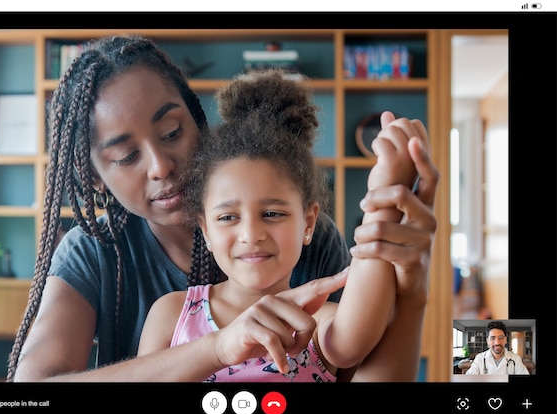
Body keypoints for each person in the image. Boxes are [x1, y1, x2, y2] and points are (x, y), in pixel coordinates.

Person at [6, 34, 439, 382]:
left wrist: (410, 285)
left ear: (197, 121)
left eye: (172, 131)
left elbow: (354, 350)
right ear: (95, 175)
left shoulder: (307, 238)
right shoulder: (94, 252)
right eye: (125, 156)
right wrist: (217, 348)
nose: (160, 166)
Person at [137, 69, 419, 381]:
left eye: (272, 214)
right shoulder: (171, 314)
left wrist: (384, 198)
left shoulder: (317, 321)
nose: (251, 234)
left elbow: (354, 340)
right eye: (228, 217)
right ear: (206, 231)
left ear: (308, 223)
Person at [465, 321, 530, 375]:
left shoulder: (516, 359)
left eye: (500, 337)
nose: (497, 342)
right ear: (487, 341)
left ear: (505, 340)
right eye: (493, 338)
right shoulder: (479, 359)